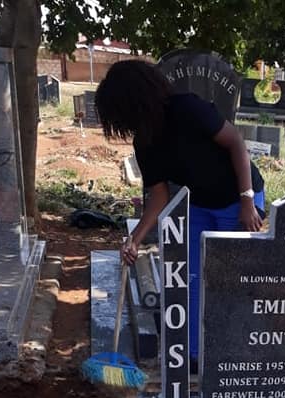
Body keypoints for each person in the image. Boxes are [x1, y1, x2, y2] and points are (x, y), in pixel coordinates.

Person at [95, 60, 265, 360]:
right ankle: (194, 355)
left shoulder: (187, 108)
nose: (122, 122)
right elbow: (158, 196)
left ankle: (230, 354)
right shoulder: (144, 142)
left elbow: (236, 143)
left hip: (237, 199)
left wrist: (247, 201)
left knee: (228, 280)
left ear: (135, 100)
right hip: (199, 205)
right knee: (193, 280)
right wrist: (135, 239)